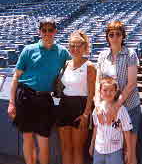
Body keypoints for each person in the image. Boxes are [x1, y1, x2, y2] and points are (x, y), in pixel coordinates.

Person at [8, 17, 71, 164]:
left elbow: (75, 65)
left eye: (50, 30)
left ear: (55, 31)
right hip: (25, 96)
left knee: (44, 140)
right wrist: (12, 103)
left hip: (44, 99)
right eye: (44, 30)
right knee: (27, 137)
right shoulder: (28, 50)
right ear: (39, 32)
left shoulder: (62, 52)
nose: (47, 33)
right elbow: (16, 78)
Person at [95, 20, 141, 164]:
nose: (115, 37)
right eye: (111, 34)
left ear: (123, 36)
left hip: (128, 106)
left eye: (118, 34)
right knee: (111, 150)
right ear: (107, 37)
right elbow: (98, 82)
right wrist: (97, 105)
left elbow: (132, 83)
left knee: (129, 152)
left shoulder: (130, 54)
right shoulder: (102, 55)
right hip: (107, 109)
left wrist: (117, 105)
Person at [56, 30, 96, 164]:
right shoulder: (66, 64)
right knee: (65, 148)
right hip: (64, 105)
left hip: (81, 107)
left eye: (78, 45)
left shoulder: (89, 66)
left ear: (85, 47)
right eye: (72, 45)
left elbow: (91, 93)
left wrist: (86, 114)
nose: (75, 48)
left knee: (78, 149)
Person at [89, 77, 133, 164]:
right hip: (99, 150)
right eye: (105, 90)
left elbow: (127, 132)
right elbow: (96, 128)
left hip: (115, 151)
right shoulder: (97, 109)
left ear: (116, 92)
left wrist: (129, 151)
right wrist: (92, 144)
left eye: (111, 90)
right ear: (100, 92)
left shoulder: (121, 110)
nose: (108, 93)